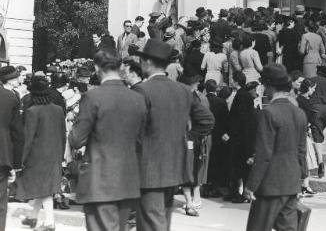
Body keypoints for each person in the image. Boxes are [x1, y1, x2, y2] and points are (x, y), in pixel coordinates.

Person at [132, 39, 214, 230]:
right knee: (162, 220)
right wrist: (187, 137)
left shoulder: (142, 90)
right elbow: (207, 120)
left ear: (149, 62)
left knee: (151, 223)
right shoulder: (183, 90)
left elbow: (133, 129)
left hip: (148, 168)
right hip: (176, 165)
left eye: (143, 60)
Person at [68, 49, 147, 231]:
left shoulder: (92, 97)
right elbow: (142, 138)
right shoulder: (137, 98)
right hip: (128, 179)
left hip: (99, 179)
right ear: (120, 67)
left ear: (96, 68)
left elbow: (76, 140)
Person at [245, 64, 308, 231]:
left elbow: (264, 154)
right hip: (291, 182)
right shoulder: (299, 113)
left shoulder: (269, 113)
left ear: (270, 86)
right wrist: (303, 177)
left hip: (270, 184)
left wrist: (251, 184)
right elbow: (302, 150)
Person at [17, 75, 65, 231]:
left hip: (37, 157)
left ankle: (50, 223)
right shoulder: (58, 110)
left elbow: (28, 138)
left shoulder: (32, 111)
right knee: (44, 187)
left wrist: (20, 160)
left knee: (43, 189)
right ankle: (33, 218)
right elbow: (63, 135)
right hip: (55, 154)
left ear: (33, 94)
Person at [179, 75, 215, 217]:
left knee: (188, 168)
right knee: (194, 167)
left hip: (189, 137)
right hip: (197, 138)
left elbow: (205, 119)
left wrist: (191, 135)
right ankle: (193, 200)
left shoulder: (190, 98)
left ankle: (191, 200)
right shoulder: (200, 98)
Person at [227, 72, 257, 203]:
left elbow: (238, 118)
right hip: (247, 136)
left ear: (236, 81)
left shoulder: (240, 95)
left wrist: (231, 132)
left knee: (237, 165)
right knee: (244, 166)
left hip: (240, 137)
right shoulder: (247, 95)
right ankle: (244, 192)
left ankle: (237, 193)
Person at [0, 65, 23, 230]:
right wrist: (15, 163)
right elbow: (17, 134)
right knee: (1, 200)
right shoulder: (12, 98)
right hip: (2, 154)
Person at [206, 79, 230, 198]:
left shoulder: (203, 100)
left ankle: (205, 186)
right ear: (216, 89)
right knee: (216, 161)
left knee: (206, 161)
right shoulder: (221, 102)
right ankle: (215, 187)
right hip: (218, 135)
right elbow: (226, 119)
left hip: (206, 133)